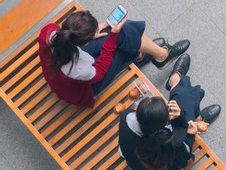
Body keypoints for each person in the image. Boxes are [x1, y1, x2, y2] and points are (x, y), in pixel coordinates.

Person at [38, 10, 190, 108]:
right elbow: (100, 71)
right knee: (118, 40)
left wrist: (96, 34)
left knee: (117, 32)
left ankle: (145, 54)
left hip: (64, 68)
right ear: (84, 42)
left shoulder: (49, 32)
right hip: (85, 88)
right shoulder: (78, 68)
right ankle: (160, 55)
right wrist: (113, 38)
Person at [118, 54, 221, 170]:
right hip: (168, 167)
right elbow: (182, 141)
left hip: (137, 164)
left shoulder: (126, 119)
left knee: (187, 100)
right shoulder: (173, 142)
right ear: (166, 122)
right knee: (185, 96)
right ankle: (176, 82)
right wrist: (185, 124)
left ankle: (178, 83)